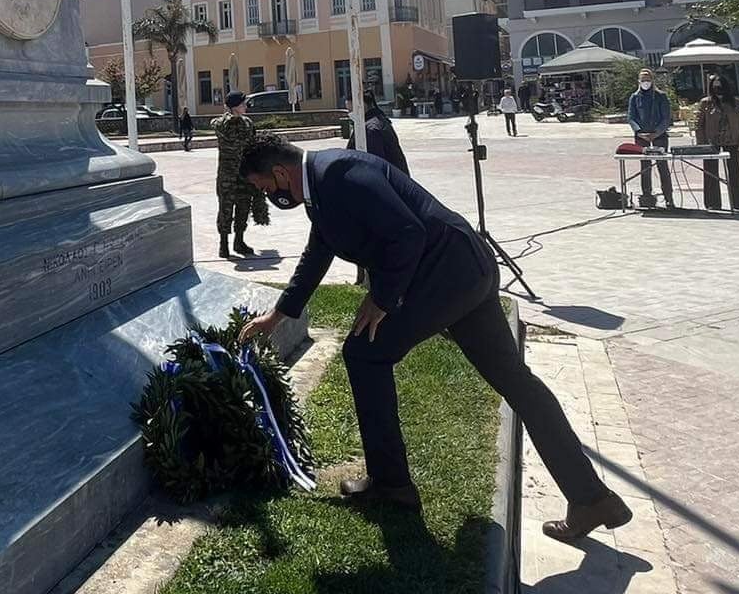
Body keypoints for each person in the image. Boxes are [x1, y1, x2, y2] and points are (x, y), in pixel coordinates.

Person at [236, 139, 632, 542]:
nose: (269, 196)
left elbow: (407, 233)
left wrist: (381, 299)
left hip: (449, 277)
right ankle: (592, 499)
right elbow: (318, 252)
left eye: (265, 188)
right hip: (464, 272)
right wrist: (279, 314)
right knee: (516, 382)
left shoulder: (340, 174)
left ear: (281, 173)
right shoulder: (322, 185)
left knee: (364, 354)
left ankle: (393, 486)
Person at [213, 91, 264, 259]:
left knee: (243, 208)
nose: (246, 106)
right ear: (234, 106)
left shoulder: (248, 123)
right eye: (242, 104)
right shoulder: (222, 123)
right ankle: (223, 244)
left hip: (244, 173)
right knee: (225, 209)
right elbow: (220, 125)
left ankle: (239, 241)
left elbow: (253, 145)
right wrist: (232, 116)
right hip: (227, 175)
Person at [692, 76, 739, 211]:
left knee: (735, 172)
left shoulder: (735, 102)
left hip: (732, 141)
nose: (718, 89)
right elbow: (698, 125)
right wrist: (702, 143)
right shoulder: (706, 103)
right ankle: (713, 203)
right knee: (710, 172)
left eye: (720, 86)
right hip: (712, 142)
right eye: (715, 86)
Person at [626, 67, 675, 209]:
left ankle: (668, 197)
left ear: (652, 80)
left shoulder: (661, 96)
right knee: (645, 167)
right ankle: (647, 196)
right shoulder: (634, 97)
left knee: (662, 166)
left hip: (659, 136)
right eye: (643, 80)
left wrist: (657, 132)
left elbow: (666, 118)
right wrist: (639, 131)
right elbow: (631, 117)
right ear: (639, 81)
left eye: (648, 79)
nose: (645, 82)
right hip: (642, 137)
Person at [361, 91, 408, 174]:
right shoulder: (379, 120)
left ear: (362, 106)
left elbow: (376, 162)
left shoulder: (371, 128)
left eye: (350, 109)